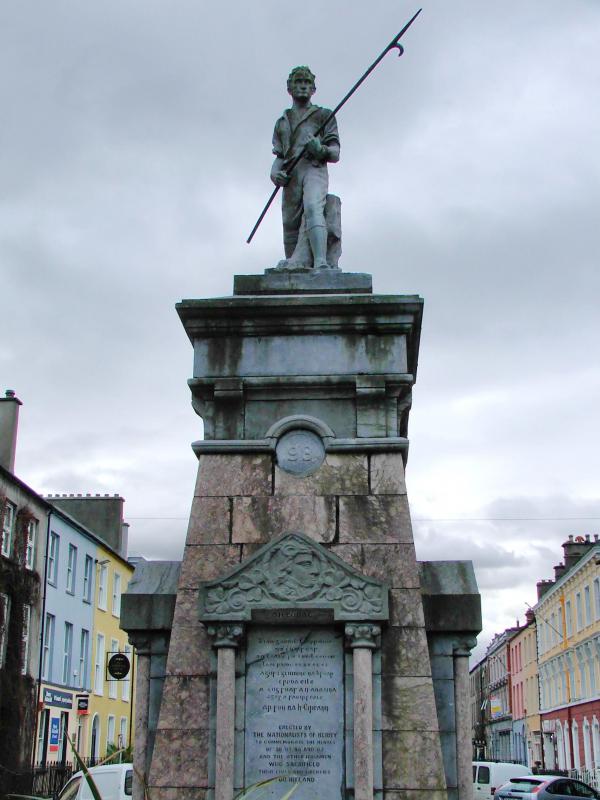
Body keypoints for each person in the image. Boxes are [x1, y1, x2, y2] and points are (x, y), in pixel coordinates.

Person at [271, 66, 340, 269]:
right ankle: (295, 264)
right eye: (298, 82)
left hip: (313, 168)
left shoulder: (324, 115)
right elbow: (279, 156)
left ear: (313, 89)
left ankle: (320, 261)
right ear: (289, 88)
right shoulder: (282, 122)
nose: (303, 86)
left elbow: (335, 152)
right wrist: (275, 173)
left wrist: (320, 149)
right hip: (291, 175)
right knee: (290, 222)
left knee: (312, 207)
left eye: (307, 83)